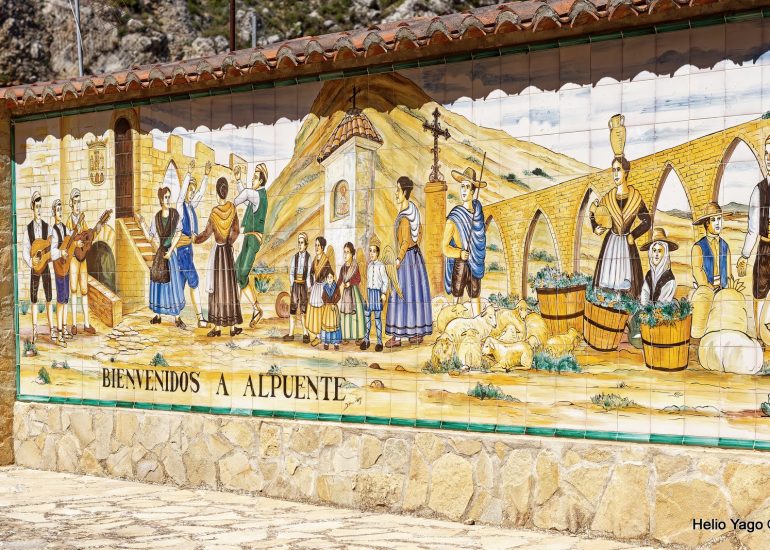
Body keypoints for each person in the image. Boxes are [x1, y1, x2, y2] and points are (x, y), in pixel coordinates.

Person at [590, 156, 651, 298]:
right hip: (611, 243)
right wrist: (595, 226)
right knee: (607, 282)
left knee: (629, 285)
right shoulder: (608, 198)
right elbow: (594, 211)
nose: (615, 174)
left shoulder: (636, 198)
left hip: (627, 244)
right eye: (613, 170)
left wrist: (633, 235)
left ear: (626, 172)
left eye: (619, 170)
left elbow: (647, 221)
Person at [385, 176, 433, 347]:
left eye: (398, 190)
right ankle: (415, 333)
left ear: (405, 192)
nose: (396, 193)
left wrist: (399, 259)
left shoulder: (405, 217)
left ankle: (397, 337)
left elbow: (405, 241)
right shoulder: (413, 210)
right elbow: (419, 233)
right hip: (416, 258)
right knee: (415, 295)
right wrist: (414, 245)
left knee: (401, 294)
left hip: (406, 259)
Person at [194, 177, 243, 337]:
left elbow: (206, 234)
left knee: (217, 289)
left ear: (217, 193)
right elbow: (236, 231)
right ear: (226, 192)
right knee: (229, 288)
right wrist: (229, 242)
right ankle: (233, 328)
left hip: (218, 255)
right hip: (227, 253)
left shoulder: (214, 213)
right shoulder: (232, 209)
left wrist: (195, 239)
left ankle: (217, 328)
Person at [737, 135, 770, 340]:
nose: (769, 158)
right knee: (759, 292)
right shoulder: (759, 191)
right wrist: (745, 255)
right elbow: (753, 228)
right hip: (765, 250)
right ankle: (759, 338)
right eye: (767, 153)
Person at [443, 166, 487, 316]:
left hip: (475, 262)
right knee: (457, 297)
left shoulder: (478, 213)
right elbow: (445, 248)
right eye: (462, 186)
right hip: (461, 263)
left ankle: (478, 321)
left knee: (475, 294)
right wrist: (460, 253)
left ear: (473, 191)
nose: (464, 190)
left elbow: (480, 238)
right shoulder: (454, 217)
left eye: (467, 187)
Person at [140, 187, 186, 328]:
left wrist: (171, 251)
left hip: (170, 255)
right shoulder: (156, 217)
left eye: (169, 197)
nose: (168, 200)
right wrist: (142, 224)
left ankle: (177, 317)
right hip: (160, 254)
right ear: (161, 199)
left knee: (173, 285)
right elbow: (150, 237)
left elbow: (178, 233)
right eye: (166, 197)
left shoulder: (174, 214)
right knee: (158, 284)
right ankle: (158, 315)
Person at [176, 159, 211, 328]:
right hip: (182, 251)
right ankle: (200, 319)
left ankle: (177, 317)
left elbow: (200, 195)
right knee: (194, 281)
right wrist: (188, 173)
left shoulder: (190, 207)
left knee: (180, 283)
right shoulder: (180, 207)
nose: (191, 193)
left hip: (188, 250)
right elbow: (181, 195)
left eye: (192, 190)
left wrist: (205, 176)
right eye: (190, 190)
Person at [234, 163, 269, 328]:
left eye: (255, 178)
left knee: (242, 274)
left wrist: (231, 204)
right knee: (236, 271)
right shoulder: (256, 197)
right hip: (248, 238)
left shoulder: (259, 195)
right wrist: (238, 180)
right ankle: (237, 310)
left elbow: (247, 194)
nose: (252, 180)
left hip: (253, 239)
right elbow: (247, 197)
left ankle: (256, 308)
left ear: (261, 181)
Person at [21, 191, 54, 344]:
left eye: (41, 207)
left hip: (45, 265)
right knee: (34, 298)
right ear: (32, 208)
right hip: (35, 267)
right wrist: (31, 260)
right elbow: (25, 249)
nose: (39, 210)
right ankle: (35, 330)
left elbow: (53, 244)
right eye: (37, 207)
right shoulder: (28, 229)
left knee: (49, 297)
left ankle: (52, 329)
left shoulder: (48, 227)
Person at [67, 188, 98, 334]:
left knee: (84, 290)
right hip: (74, 259)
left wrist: (96, 230)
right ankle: (74, 324)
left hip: (82, 259)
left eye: (79, 202)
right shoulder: (69, 222)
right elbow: (66, 243)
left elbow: (88, 237)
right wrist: (75, 244)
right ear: (71, 204)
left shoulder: (83, 220)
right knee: (74, 289)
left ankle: (86, 323)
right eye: (75, 202)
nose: (77, 205)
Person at [50, 199, 79, 347]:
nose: (60, 213)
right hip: (59, 268)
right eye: (57, 210)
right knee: (60, 300)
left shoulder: (64, 228)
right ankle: (59, 335)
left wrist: (77, 243)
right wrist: (61, 252)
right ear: (54, 213)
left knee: (66, 298)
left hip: (65, 267)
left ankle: (64, 327)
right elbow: (52, 251)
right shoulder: (54, 231)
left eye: (61, 210)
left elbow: (71, 239)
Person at [692, 202, 732, 289]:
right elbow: (698, 273)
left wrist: (728, 289)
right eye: (713, 220)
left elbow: (729, 274)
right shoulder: (698, 247)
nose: (717, 223)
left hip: (723, 289)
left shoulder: (725, 246)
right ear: (707, 223)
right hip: (705, 290)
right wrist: (712, 289)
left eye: (719, 219)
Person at [305, 236, 334, 347]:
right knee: (315, 312)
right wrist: (311, 284)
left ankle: (322, 336)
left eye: (318, 245)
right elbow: (311, 273)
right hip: (315, 288)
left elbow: (330, 275)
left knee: (322, 312)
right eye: (315, 245)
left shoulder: (325, 260)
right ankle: (318, 335)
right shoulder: (315, 260)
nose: (316, 247)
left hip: (323, 288)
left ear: (322, 247)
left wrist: (328, 288)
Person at [361, 235, 388, 352]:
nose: (371, 253)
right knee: (367, 317)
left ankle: (379, 342)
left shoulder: (381, 266)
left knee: (377, 318)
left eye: (374, 251)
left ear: (378, 253)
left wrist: (383, 293)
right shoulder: (368, 266)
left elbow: (385, 281)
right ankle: (366, 340)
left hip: (376, 294)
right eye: (370, 251)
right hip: (369, 293)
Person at [639, 227, 678, 305]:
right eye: (654, 251)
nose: (656, 254)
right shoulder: (649, 275)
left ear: (665, 254)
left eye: (659, 251)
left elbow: (662, 305)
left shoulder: (669, 279)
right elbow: (644, 295)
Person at [283, 232, 311, 343]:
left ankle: (305, 334)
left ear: (306, 244)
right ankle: (291, 334)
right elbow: (291, 273)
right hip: (295, 285)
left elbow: (308, 274)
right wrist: (291, 284)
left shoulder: (309, 257)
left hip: (303, 285)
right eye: (299, 243)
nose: (300, 245)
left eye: (302, 243)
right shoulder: (294, 257)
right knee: (293, 309)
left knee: (303, 310)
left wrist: (308, 287)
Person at [337, 242, 366, 343]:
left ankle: (358, 336)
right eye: (344, 252)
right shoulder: (343, 267)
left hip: (354, 293)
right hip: (346, 294)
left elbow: (358, 279)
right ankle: (346, 336)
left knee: (356, 315)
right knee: (345, 315)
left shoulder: (355, 266)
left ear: (352, 253)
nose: (345, 254)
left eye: (348, 252)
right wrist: (335, 287)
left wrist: (350, 283)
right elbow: (340, 279)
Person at [320, 271, 342, 350]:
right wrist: (326, 303)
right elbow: (323, 297)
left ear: (333, 278)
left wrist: (334, 303)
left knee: (335, 326)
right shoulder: (325, 287)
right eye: (328, 277)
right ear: (326, 279)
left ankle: (335, 343)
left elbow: (339, 296)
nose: (329, 279)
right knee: (327, 325)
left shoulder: (336, 287)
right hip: (327, 308)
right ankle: (326, 342)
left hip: (334, 308)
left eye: (331, 277)